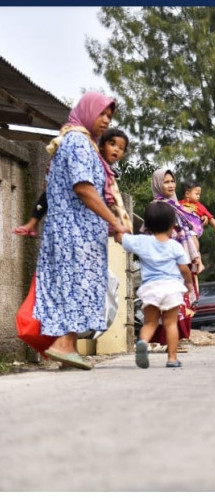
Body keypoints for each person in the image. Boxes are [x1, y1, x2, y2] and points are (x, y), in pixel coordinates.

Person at [34, 92, 130, 370]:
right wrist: (113, 220)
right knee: (75, 285)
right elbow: (84, 188)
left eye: (109, 117)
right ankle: (63, 344)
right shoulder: (77, 142)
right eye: (102, 114)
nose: (105, 121)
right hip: (73, 232)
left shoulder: (85, 144)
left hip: (81, 232)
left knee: (79, 286)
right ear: (88, 111)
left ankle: (69, 348)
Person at [116, 201, 194, 368]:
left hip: (151, 288)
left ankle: (143, 342)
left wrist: (120, 229)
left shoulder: (141, 242)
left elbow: (120, 238)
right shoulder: (175, 246)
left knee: (150, 323)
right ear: (173, 225)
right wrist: (188, 284)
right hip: (171, 287)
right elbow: (184, 269)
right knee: (170, 323)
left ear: (148, 225)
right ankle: (172, 359)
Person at [12, 128, 129, 238]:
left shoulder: (109, 173)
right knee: (50, 192)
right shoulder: (91, 160)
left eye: (121, 148)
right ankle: (32, 223)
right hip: (72, 207)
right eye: (112, 144)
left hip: (89, 220)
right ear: (102, 146)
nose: (116, 149)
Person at [149, 167, 203, 350]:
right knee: (172, 300)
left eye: (172, 181)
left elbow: (189, 233)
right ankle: (169, 340)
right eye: (166, 182)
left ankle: (177, 339)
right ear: (158, 184)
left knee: (184, 299)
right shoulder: (156, 207)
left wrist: (196, 257)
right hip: (168, 262)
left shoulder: (177, 206)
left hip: (185, 260)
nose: (171, 185)